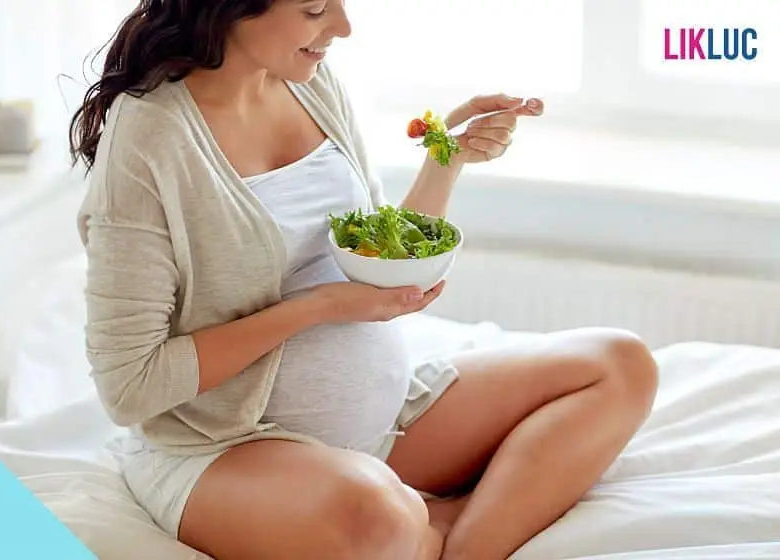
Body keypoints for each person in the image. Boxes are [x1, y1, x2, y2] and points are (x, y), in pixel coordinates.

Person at [69, 1, 659, 559]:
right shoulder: (151, 134)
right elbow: (130, 387)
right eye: (314, 10)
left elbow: (372, 253)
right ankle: (432, 524)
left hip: (386, 422)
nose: (343, 27)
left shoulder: (311, 83)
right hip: (225, 447)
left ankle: (453, 541)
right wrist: (313, 308)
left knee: (620, 364)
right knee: (377, 518)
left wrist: (444, 160)